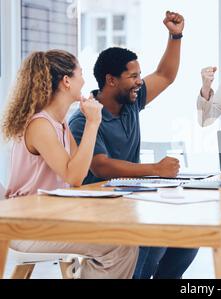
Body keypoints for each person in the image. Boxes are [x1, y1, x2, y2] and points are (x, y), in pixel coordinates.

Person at [69, 11, 198, 279]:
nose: (140, 81)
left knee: (189, 232)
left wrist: (176, 35)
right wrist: (155, 169)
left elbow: (165, 74)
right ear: (111, 80)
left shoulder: (130, 103)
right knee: (153, 235)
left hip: (131, 198)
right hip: (99, 205)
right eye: (133, 76)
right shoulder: (84, 117)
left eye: (140, 74)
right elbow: (101, 166)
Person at [2, 50, 138, 279]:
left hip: (50, 217)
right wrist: (93, 123)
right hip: (26, 227)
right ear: (66, 81)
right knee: (119, 244)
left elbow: (80, 171)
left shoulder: (60, 123)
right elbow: (73, 176)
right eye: (80, 74)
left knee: (124, 238)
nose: (84, 81)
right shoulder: (40, 126)